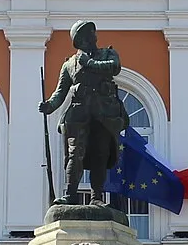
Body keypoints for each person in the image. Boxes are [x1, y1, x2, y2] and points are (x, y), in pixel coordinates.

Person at [39, 20, 128, 203]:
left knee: (100, 154)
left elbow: (114, 66)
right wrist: (49, 105)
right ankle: (70, 195)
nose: (90, 37)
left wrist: (90, 63)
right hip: (79, 113)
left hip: (104, 112)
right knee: (74, 153)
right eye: (85, 34)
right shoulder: (69, 64)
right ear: (79, 40)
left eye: (91, 33)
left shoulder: (107, 54)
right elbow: (60, 92)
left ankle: (96, 197)